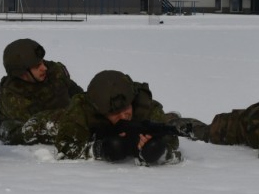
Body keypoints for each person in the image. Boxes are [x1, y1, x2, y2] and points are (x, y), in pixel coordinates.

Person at [20, 70, 183, 165]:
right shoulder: (82, 110)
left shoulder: (146, 107)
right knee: (27, 129)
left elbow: (172, 142)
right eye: (115, 113)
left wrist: (157, 150)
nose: (124, 115)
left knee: (168, 123)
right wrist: (98, 149)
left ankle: (172, 116)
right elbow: (66, 147)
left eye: (126, 107)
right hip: (62, 121)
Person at [0, 38, 83, 144]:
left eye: (42, 62)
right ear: (22, 74)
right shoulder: (14, 97)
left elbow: (77, 93)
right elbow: (33, 129)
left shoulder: (53, 72)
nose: (44, 68)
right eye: (37, 66)